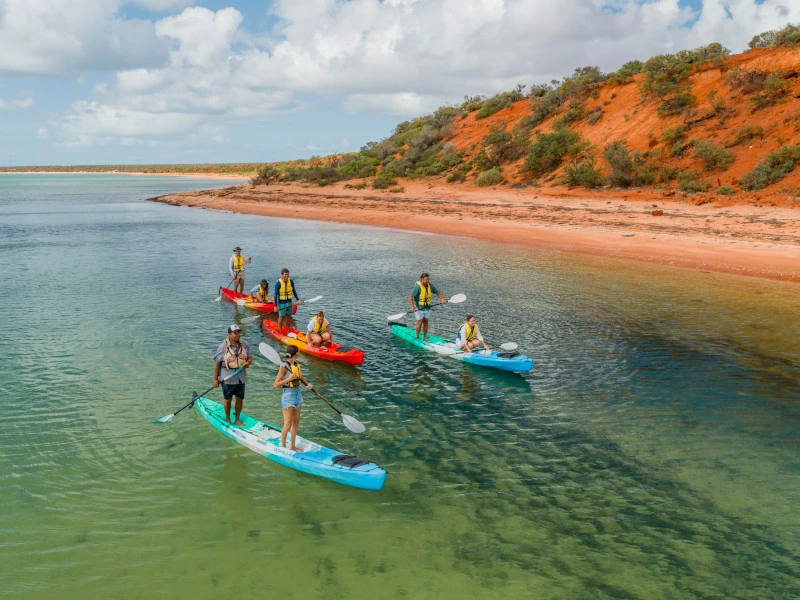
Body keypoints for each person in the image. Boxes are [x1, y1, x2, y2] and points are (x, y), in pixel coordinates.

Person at [273, 346, 312, 452]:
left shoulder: (296, 364)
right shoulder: (284, 367)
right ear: (296, 353)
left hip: (298, 394)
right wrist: (289, 379)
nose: (299, 353)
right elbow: (276, 384)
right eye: (298, 351)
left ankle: (293, 446)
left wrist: (307, 384)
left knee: (296, 421)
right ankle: (283, 447)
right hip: (288, 395)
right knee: (288, 423)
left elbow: (301, 377)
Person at [212, 324, 252, 426]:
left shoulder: (244, 344)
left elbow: (250, 357)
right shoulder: (223, 347)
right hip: (227, 378)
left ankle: (237, 419)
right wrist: (215, 379)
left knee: (239, 399)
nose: (237, 335)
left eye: (238, 332)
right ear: (229, 334)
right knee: (228, 399)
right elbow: (217, 364)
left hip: (240, 377)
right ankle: (228, 418)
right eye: (235, 333)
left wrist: (248, 363)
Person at [408, 272, 445, 342]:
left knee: (426, 322)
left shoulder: (430, 285)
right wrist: (413, 307)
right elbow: (410, 296)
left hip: (427, 308)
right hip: (418, 308)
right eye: (426, 279)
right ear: (422, 279)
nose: (427, 281)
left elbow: (437, 292)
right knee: (420, 322)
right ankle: (417, 337)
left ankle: (425, 337)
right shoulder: (417, 287)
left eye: (428, 279)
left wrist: (441, 299)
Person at [274, 268, 303, 333]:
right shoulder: (278, 283)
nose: (286, 276)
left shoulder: (291, 281)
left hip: (289, 302)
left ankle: (287, 330)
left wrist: (298, 300)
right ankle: (280, 331)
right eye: (285, 274)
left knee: (288, 316)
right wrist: (275, 306)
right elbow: (275, 295)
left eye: (287, 274)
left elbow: (294, 291)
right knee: (281, 316)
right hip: (282, 302)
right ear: (282, 275)